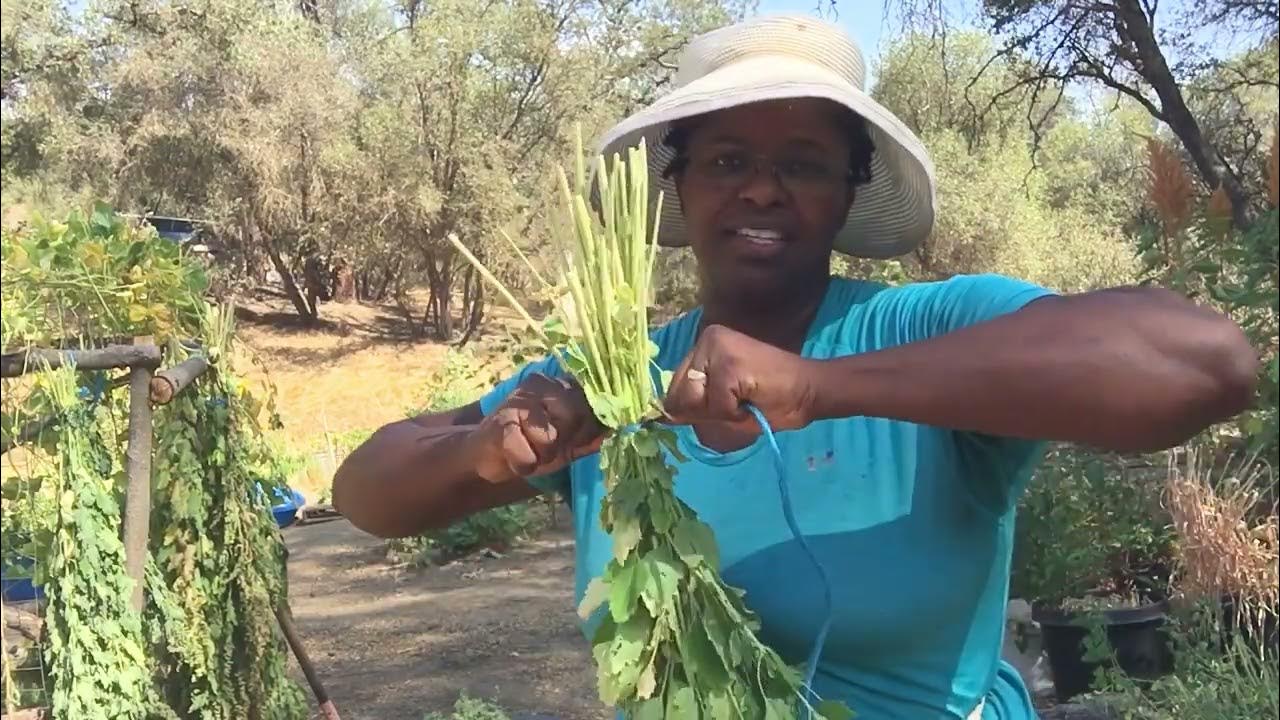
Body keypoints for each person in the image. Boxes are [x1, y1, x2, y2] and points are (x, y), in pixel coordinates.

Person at [333, 15, 1259, 720]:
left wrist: (819, 388)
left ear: (850, 191)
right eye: (727, 159)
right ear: (678, 182)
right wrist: (481, 452)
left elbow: (1205, 363)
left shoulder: (925, 329)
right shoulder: (616, 380)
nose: (762, 188)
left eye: (805, 165)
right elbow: (365, 491)